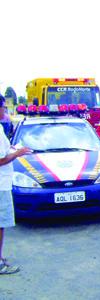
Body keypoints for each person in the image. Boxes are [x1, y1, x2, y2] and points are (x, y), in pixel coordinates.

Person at [0, 96, 31, 275]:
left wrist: (12, 150)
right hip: (1, 185)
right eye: (3, 106)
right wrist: (17, 153)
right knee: (0, 224)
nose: (4, 110)